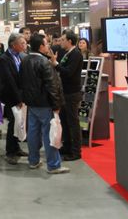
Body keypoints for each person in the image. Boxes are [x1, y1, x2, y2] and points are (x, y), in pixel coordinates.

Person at [20, 33, 69, 174]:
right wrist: (56, 105)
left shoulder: (25, 60)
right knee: (50, 134)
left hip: (32, 104)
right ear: (41, 46)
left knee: (33, 133)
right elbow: (52, 85)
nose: (48, 46)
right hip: (45, 104)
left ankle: (33, 160)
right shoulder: (43, 62)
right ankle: (53, 165)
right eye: (46, 44)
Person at [0, 33, 29, 165]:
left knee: (19, 123)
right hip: (11, 96)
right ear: (13, 44)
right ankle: (9, 152)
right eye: (22, 43)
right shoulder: (4, 58)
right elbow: (9, 81)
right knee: (12, 124)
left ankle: (16, 148)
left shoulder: (20, 56)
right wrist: (18, 99)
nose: (25, 45)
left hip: (20, 95)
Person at [55, 30, 83, 161]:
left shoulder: (76, 54)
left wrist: (56, 65)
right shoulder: (68, 53)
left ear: (69, 41)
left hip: (72, 93)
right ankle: (67, 146)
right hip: (65, 92)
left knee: (73, 122)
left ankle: (76, 151)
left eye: (63, 40)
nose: (61, 42)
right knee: (65, 121)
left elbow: (69, 72)